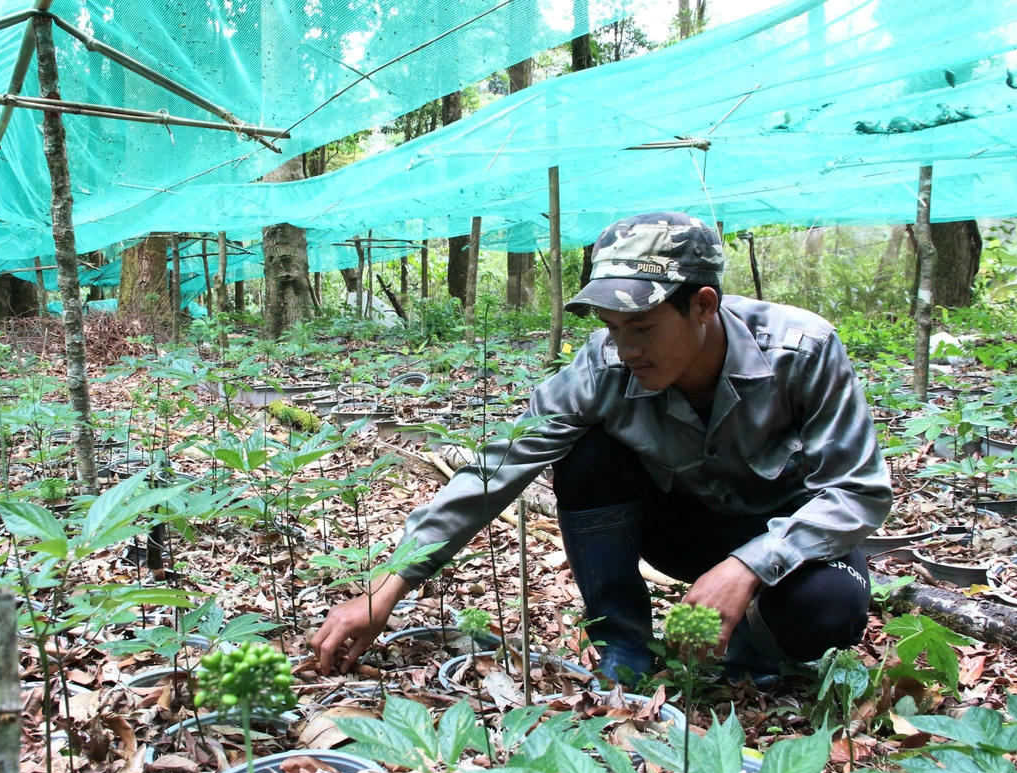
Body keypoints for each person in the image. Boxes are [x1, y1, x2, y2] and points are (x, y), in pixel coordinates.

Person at [312, 211, 891, 686]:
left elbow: (857, 492)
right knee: (585, 453)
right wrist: (387, 586)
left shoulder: (801, 351)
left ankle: (750, 653)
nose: (626, 347)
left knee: (830, 609)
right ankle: (623, 645)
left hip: (785, 544)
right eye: (612, 327)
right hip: (680, 531)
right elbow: (497, 468)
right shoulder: (604, 364)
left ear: (704, 305)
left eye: (641, 327)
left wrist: (747, 566)